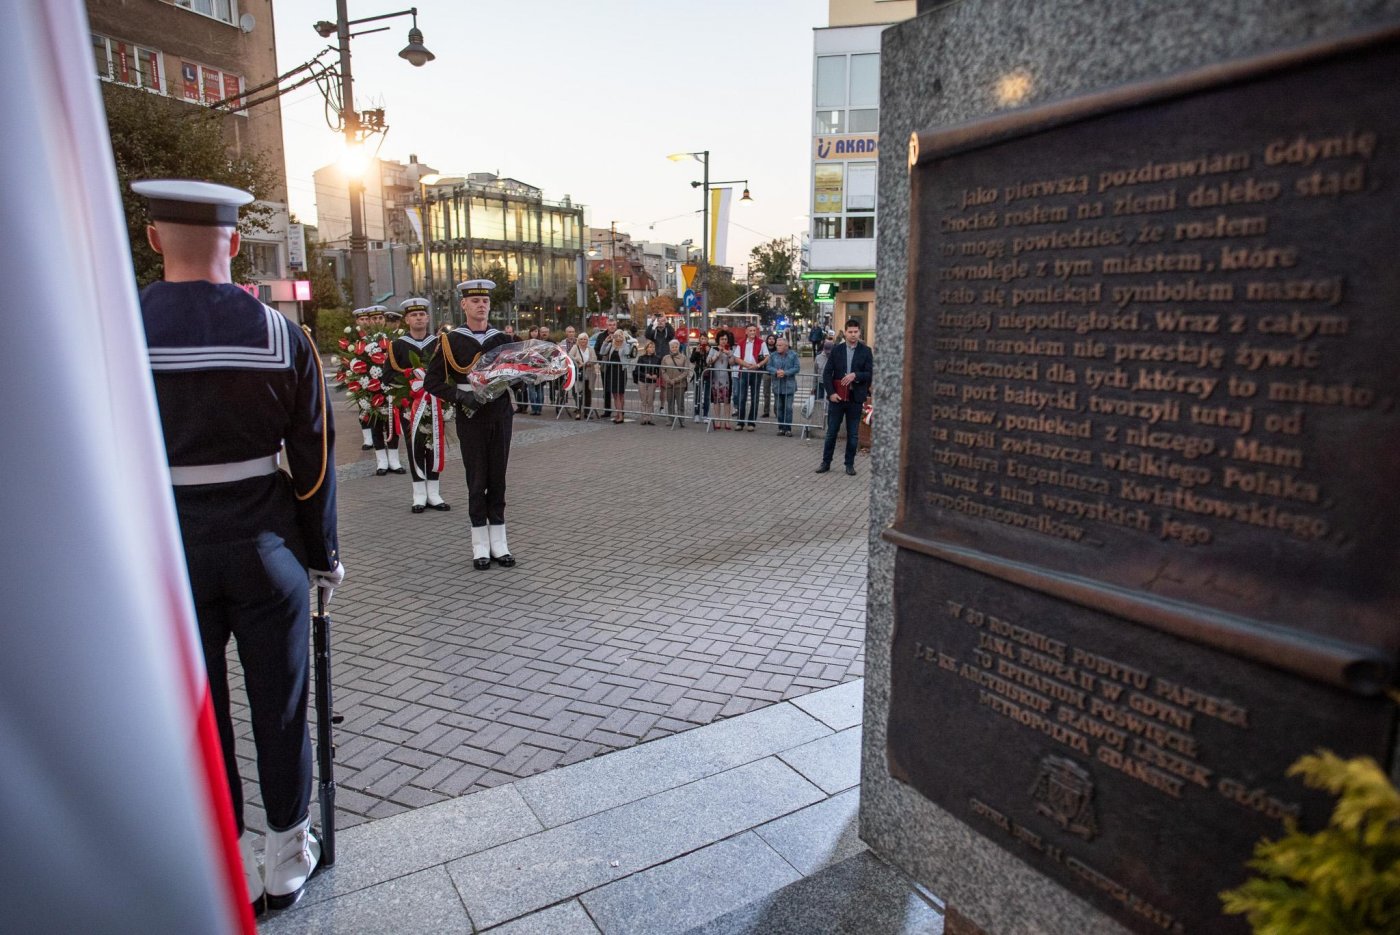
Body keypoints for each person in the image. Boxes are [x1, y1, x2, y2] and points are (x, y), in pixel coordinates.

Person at [132, 179, 341, 913]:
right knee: (280, 702)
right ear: (234, 242)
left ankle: (220, 846)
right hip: (266, 544)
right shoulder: (281, 334)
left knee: (198, 706)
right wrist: (323, 553)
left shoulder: (116, 329)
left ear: (156, 240)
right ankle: (286, 854)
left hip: (165, 549)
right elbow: (312, 457)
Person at [424, 279, 517, 570]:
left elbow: (516, 373)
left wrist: (531, 375)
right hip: (471, 415)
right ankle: (479, 546)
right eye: (474, 301)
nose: (481, 305)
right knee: (477, 480)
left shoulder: (502, 339)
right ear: (463, 305)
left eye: (485, 301)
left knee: (498, 479)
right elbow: (433, 382)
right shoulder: (451, 341)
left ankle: (500, 544)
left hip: (500, 413)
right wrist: (461, 396)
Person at [387, 297, 450, 513]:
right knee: (415, 447)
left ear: (428, 317)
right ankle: (419, 495)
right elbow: (388, 376)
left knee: (434, 448)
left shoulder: (439, 343)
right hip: (410, 407)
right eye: (414, 315)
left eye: (422, 314)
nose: (419, 318)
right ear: (407, 319)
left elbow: (448, 373)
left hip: (435, 404)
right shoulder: (397, 346)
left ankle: (434, 493)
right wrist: (407, 384)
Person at [817, 319, 873, 476]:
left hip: (855, 398)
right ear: (845, 332)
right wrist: (831, 393)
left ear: (860, 332)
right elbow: (827, 373)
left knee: (853, 434)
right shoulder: (837, 350)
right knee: (831, 432)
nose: (853, 335)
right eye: (850, 332)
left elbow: (870, 373)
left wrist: (856, 375)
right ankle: (825, 462)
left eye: (856, 332)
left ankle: (849, 464)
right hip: (837, 398)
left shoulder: (866, 351)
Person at [733, 323, 767, 431]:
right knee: (742, 397)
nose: (752, 332)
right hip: (744, 371)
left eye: (754, 330)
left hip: (756, 372)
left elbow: (767, 357)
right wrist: (747, 365)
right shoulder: (741, 343)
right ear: (746, 332)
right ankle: (740, 422)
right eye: (750, 330)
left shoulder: (761, 343)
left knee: (755, 398)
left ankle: (751, 422)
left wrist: (757, 365)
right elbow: (736, 358)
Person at [766, 335, 801, 436]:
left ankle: (788, 428)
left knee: (788, 408)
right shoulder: (773, 355)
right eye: (777, 345)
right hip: (777, 385)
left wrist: (785, 372)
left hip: (789, 386)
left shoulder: (793, 355)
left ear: (786, 346)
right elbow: (768, 366)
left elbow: (797, 368)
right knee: (779, 407)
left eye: (780, 345)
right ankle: (781, 428)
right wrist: (776, 372)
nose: (778, 347)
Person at [599, 329, 634, 423]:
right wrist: (606, 341)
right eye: (616, 335)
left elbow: (627, 353)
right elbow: (602, 352)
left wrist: (624, 341)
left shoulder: (625, 345)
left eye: (620, 335)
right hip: (612, 371)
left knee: (621, 394)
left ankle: (621, 415)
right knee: (615, 394)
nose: (618, 337)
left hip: (621, 371)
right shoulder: (611, 345)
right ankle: (618, 414)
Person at [707, 331, 736, 430]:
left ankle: (727, 421)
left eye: (725, 339)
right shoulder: (713, 349)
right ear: (718, 340)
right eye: (722, 339)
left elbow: (732, 363)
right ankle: (717, 420)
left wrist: (729, 354)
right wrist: (717, 354)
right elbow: (709, 361)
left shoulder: (730, 349)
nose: (724, 341)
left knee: (727, 400)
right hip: (715, 378)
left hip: (726, 378)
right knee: (716, 400)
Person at [660, 338, 691, 428]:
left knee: (680, 403)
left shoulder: (683, 357)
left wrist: (676, 380)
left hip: (680, 384)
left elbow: (686, 372)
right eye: (672, 347)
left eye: (676, 346)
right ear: (670, 348)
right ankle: (670, 419)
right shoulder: (665, 358)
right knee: (670, 402)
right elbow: (663, 370)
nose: (674, 348)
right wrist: (668, 380)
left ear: (678, 347)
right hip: (669, 384)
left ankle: (682, 420)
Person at [568, 332, 599, 420]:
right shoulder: (575, 347)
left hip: (589, 373)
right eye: (581, 339)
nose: (583, 341)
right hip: (579, 373)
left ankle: (587, 411)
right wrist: (577, 360)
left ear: (587, 340)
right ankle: (578, 411)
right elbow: (570, 356)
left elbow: (594, 359)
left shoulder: (590, 349)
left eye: (585, 339)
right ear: (578, 340)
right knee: (579, 393)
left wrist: (587, 363)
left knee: (588, 393)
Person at [634, 339, 661, 425]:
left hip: (652, 382)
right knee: (644, 399)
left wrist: (656, 375)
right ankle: (643, 417)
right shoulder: (641, 358)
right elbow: (637, 370)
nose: (652, 348)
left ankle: (649, 417)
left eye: (653, 347)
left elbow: (658, 370)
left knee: (650, 399)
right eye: (650, 347)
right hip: (643, 380)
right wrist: (645, 375)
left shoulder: (657, 358)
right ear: (646, 348)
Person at [689, 335, 711, 424]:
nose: (703, 340)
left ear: (707, 340)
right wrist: (696, 352)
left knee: (706, 396)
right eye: (702, 339)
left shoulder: (711, 349)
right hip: (697, 373)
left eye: (705, 339)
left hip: (707, 374)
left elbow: (711, 361)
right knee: (697, 394)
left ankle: (705, 414)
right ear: (699, 340)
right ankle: (697, 414)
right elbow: (691, 360)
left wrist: (708, 352)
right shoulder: (696, 349)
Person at [760, 332, 778, 419]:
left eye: (773, 339)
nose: (771, 340)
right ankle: (766, 411)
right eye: (769, 339)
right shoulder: (764, 349)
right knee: (766, 393)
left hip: (775, 373)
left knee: (776, 393)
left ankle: (777, 411)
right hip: (766, 373)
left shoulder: (777, 349)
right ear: (767, 340)